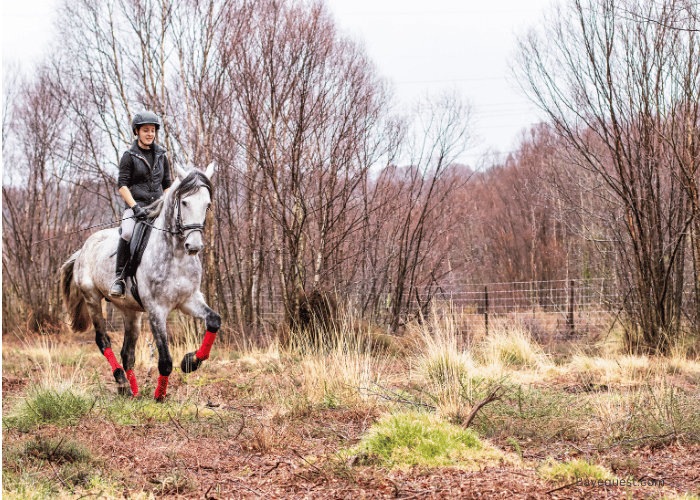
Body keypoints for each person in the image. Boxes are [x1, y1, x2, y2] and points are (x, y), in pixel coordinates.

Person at [109, 111, 172, 298]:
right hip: (136, 208)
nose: (150, 134)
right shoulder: (129, 156)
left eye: (153, 130)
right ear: (137, 131)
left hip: (158, 208)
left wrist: (166, 203)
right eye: (146, 130)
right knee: (127, 232)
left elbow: (167, 184)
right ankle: (119, 278)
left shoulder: (162, 155)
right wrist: (135, 207)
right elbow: (122, 186)